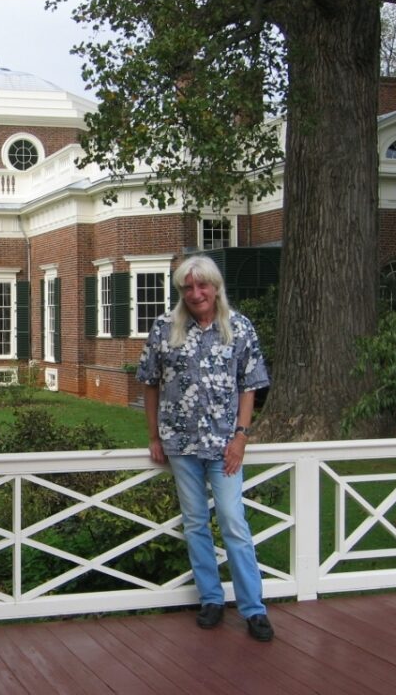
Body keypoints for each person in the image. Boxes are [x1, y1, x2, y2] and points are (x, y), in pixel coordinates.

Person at [136, 254, 274, 642]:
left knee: (233, 521)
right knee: (196, 523)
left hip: (224, 445)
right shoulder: (164, 328)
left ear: (215, 287)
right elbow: (150, 384)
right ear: (181, 291)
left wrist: (241, 437)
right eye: (188, 287)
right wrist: (153, 436)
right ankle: (211, 600)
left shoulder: (239, 328)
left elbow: (250, 386)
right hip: (180, 444)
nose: (196, 294)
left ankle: (254, 609)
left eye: (202, 286)